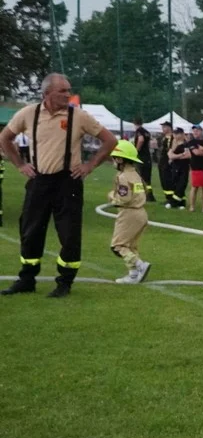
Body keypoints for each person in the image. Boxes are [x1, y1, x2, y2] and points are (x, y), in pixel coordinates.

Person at [0, 73, 118, 297]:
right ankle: (27, 278)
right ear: (47, 93)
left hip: (68, 182)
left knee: (69, 233)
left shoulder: (79, 116)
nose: (67, 94)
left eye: (68, 90)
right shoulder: (28, 113)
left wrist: (89, 165)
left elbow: (110, 140)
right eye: (62, 91)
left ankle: (64, 282)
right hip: (39, 181)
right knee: (30, 230)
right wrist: (20, 165)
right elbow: (4, 138)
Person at [107, 139, 152, 284]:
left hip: (129, 213)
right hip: (141, 213)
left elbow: (124, 198)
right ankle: (132, 275)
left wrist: (112, 197)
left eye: (114, 158)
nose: (113, 162)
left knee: (118, 245)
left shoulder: (123, 177)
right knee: (130, 246)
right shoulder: (136, 175)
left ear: (120, 159)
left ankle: (140, 265)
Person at [182, 125, 203, 213]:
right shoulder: (192, 142)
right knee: (195, 187)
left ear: (202, 131)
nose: (195, 132)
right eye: (194, 131)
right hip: (196, 167)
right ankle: (192, 206)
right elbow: (196, 153)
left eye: (197, 130)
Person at [131, 117, 156, 202]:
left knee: (139, 177)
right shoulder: (147, 132)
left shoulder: (139, 131)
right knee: (147, 178)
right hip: (147, 156)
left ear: (134, 123)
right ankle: (150, 196)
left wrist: (136, 150)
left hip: (141, 157)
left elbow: (141, 140)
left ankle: (141, 195)